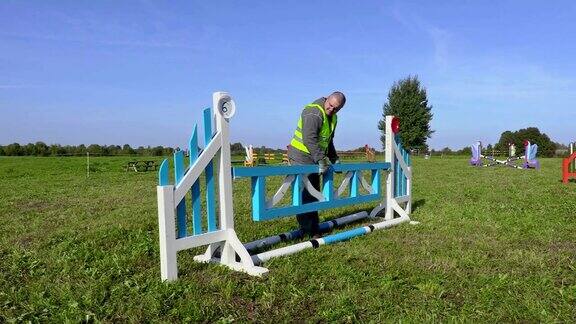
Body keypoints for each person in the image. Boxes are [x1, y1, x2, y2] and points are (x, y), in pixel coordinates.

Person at [287, 91, 346, 238]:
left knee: (314, 192)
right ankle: (310, 230)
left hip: (313, 156)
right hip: (300, 155)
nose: (331, 109)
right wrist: (321, 158)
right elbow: (309, 139)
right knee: (306, 192)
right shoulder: (313, 112)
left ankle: (313, 226)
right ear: (327, 99)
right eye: (330, 106)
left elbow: (328, 140)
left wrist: (333, 158)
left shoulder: (333, 118)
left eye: (336, 109)